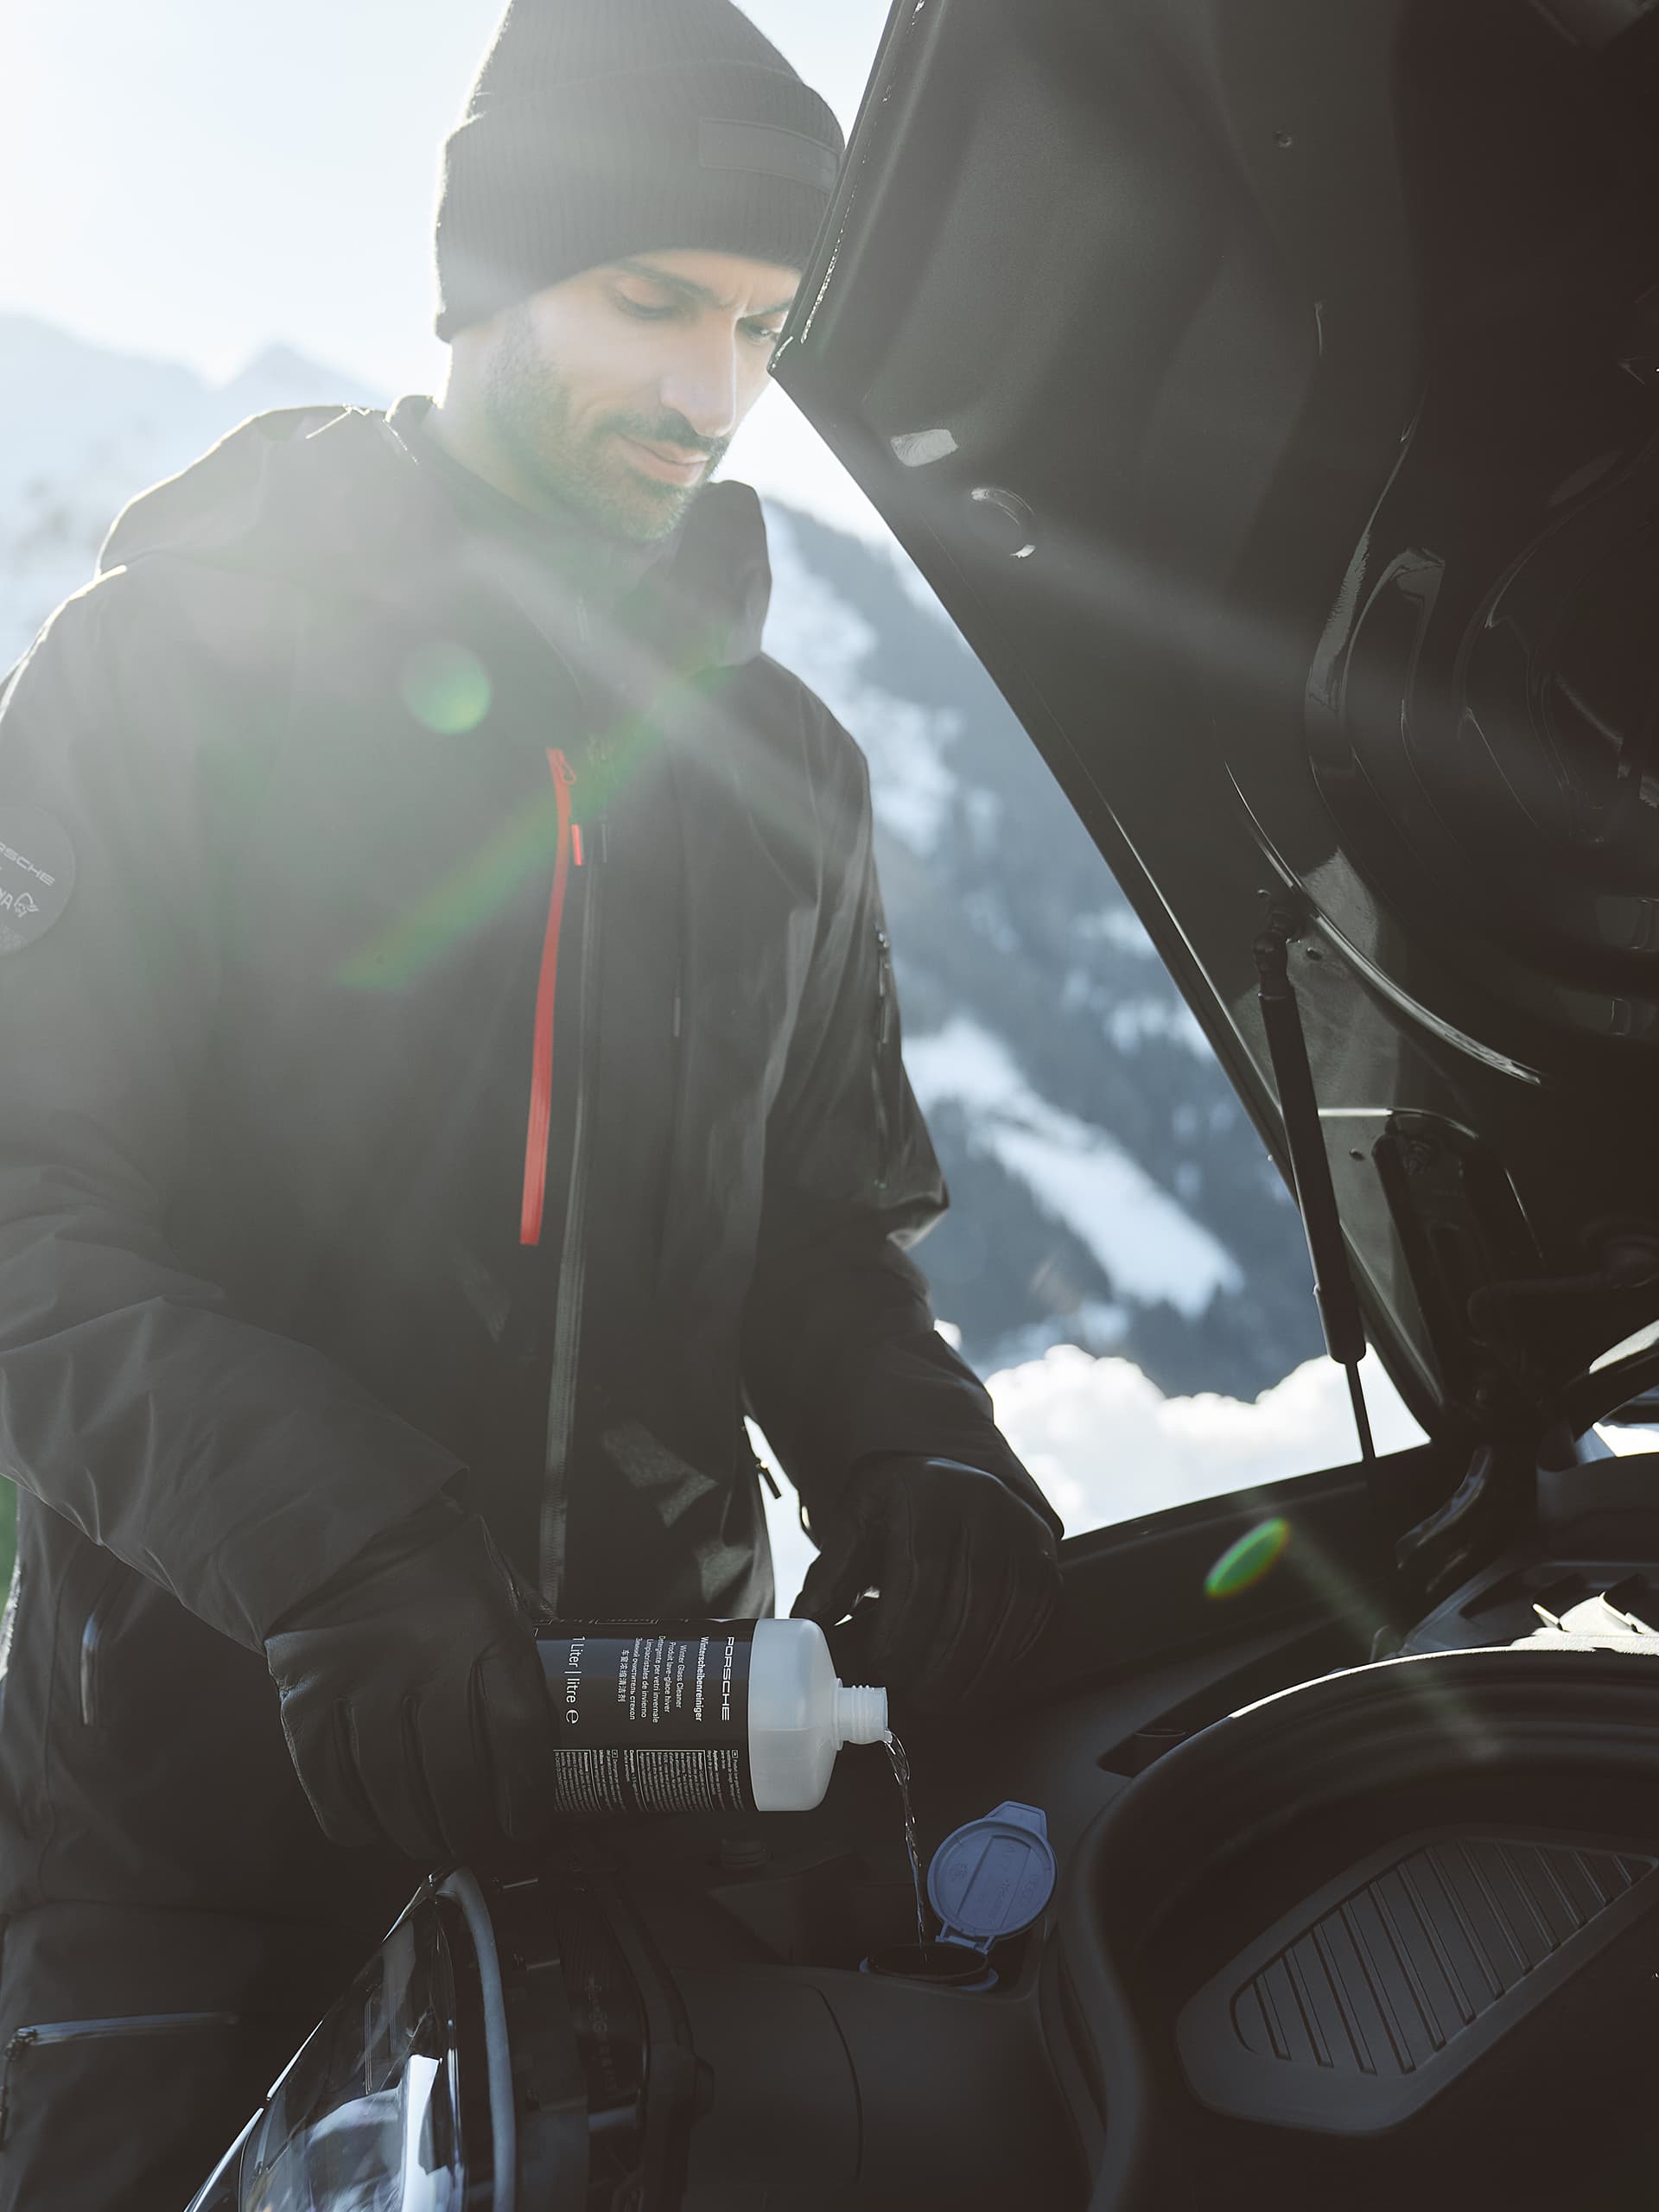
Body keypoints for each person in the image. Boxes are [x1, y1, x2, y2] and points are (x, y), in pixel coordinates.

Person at [0, 1, 1063, 2201]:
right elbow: (29, 1218)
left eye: (764, 323)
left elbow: (817, 1234)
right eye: (652, 300)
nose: (714, 393)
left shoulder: (784, 769)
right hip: (195, 1848)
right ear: (483, 281)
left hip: (658, 1818)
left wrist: (914, 1438)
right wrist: (342, 1546)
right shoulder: (163, 678)